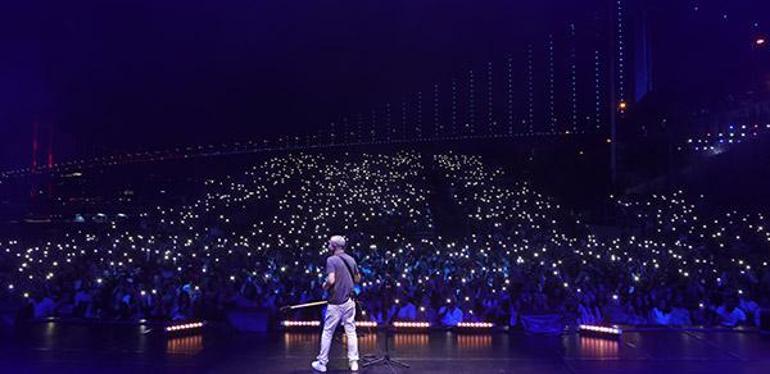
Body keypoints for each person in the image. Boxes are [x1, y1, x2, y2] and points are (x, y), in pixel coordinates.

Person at [312, 235, 361, 373]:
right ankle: (354, 362)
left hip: (335, 302)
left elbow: (331, 280)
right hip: (349, 301)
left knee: (327, 332)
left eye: (329, 244)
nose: (328, 246)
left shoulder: (331, 260)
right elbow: (357, 279)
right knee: (351, 332)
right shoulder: (351, 259)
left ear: (334, 246)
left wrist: (325, 285)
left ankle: (322, 363)